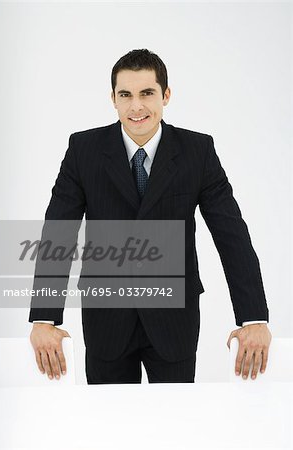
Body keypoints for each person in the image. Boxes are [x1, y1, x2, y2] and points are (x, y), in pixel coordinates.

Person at [29, 49, 271, 383]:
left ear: (166, 95)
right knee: (109, 426)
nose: (136, 106)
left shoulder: (197, 152)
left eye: (147, 93)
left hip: (173, 320)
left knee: (174, 427)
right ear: (113, 98)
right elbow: (59, 232)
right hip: (106, 319)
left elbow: (231, 234)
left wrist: (253, 318)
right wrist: (44, 319)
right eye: (125, 95)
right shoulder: (83, 150)